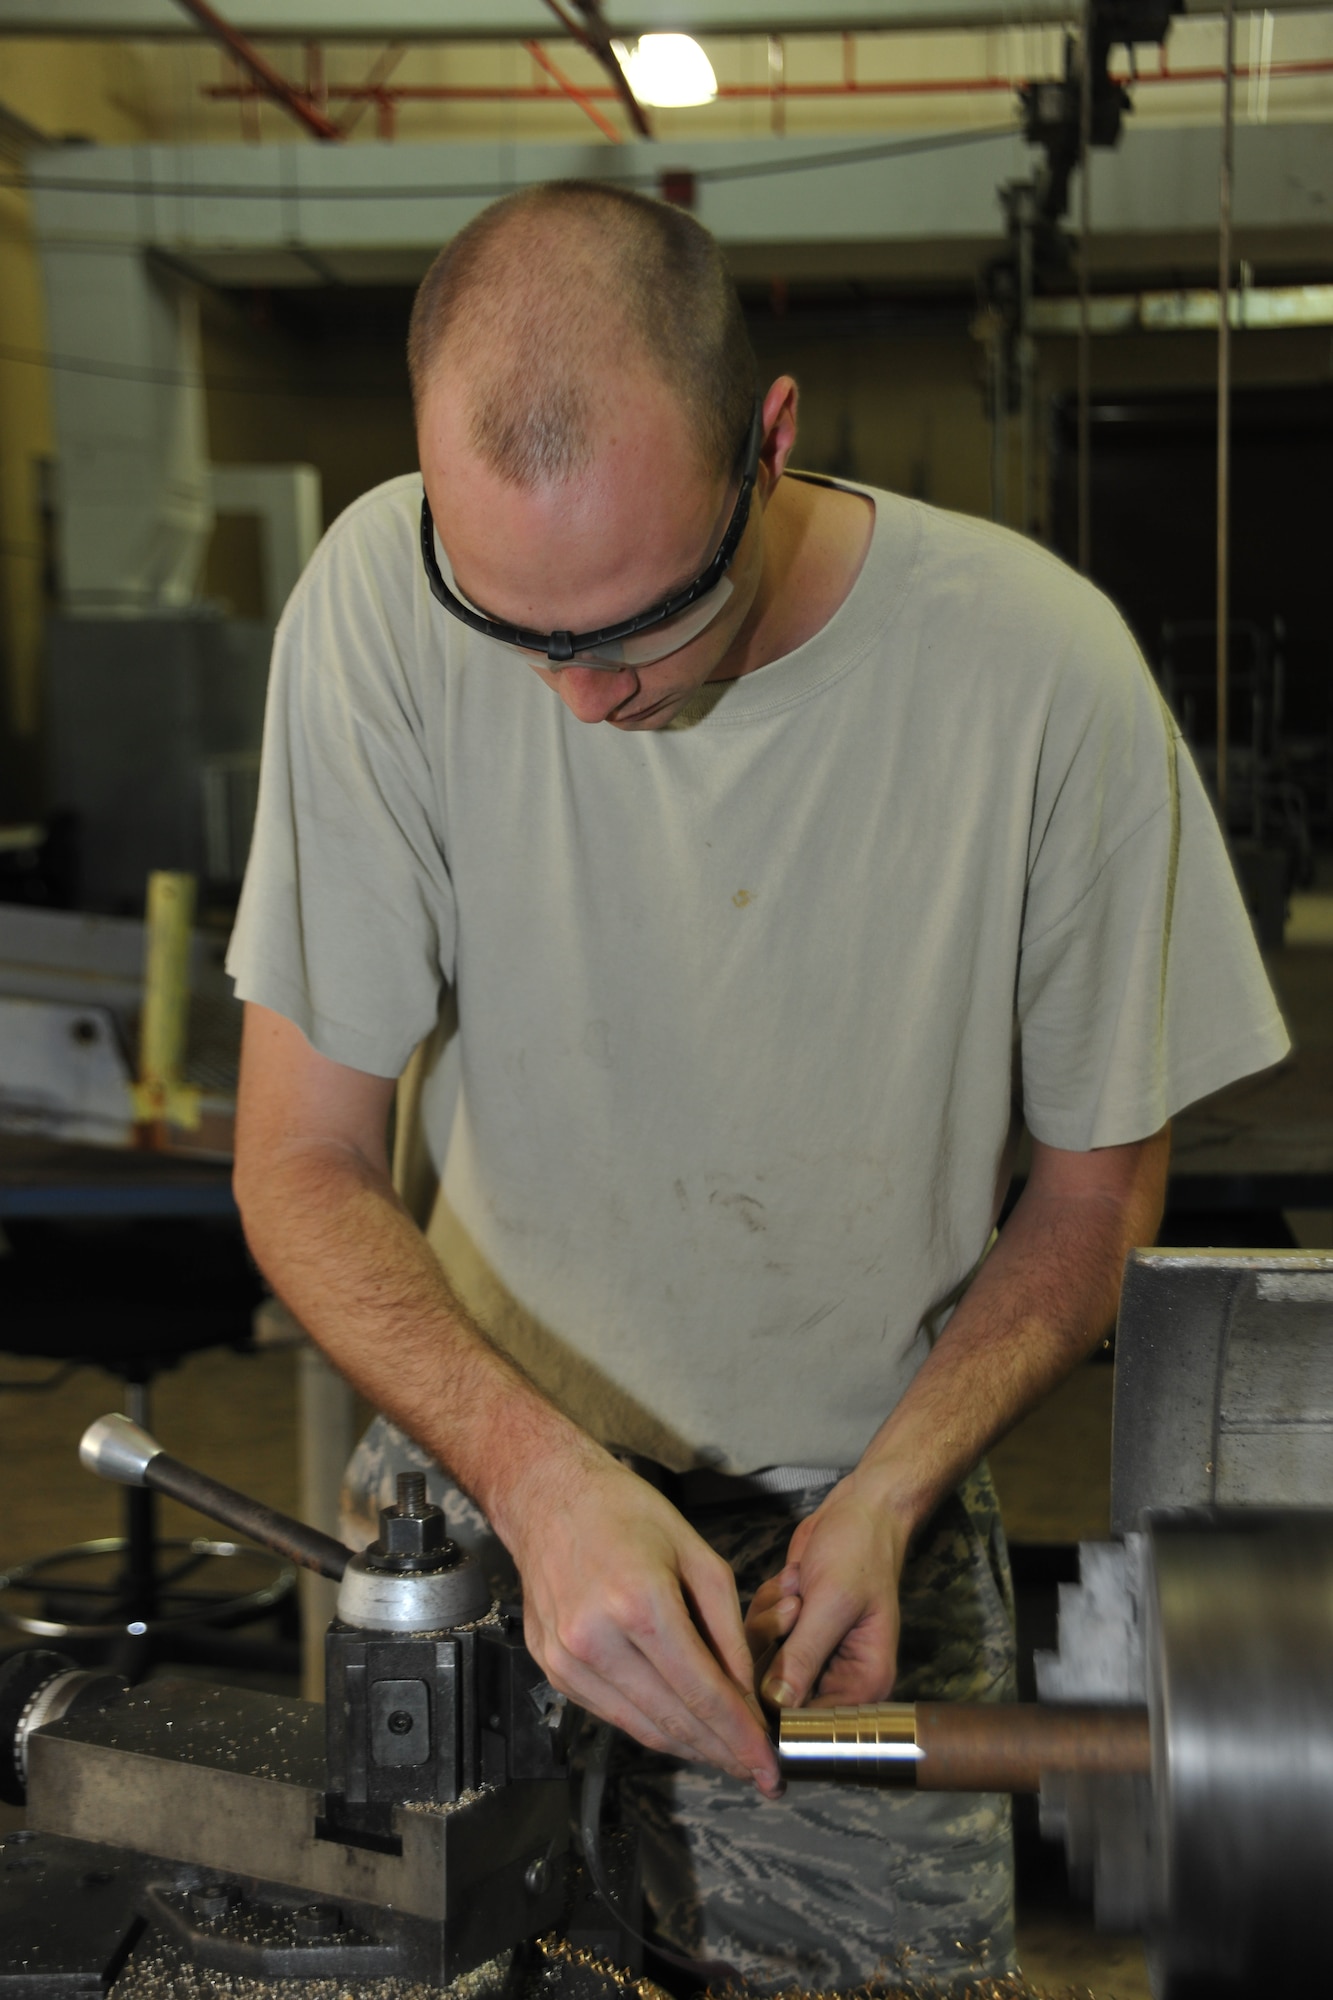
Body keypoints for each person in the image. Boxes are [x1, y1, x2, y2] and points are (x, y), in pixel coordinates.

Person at [228, 180, 1288, 1991]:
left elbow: (1092, 1196)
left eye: (640, 625)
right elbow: (302, 1162)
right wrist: (541, 1490)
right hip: (491, 1484)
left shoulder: (1043, 680)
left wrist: (889, 1491)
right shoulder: (372, 607)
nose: (580, 706)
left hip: (854, 1513)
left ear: (770, 440)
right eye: (516, 632)